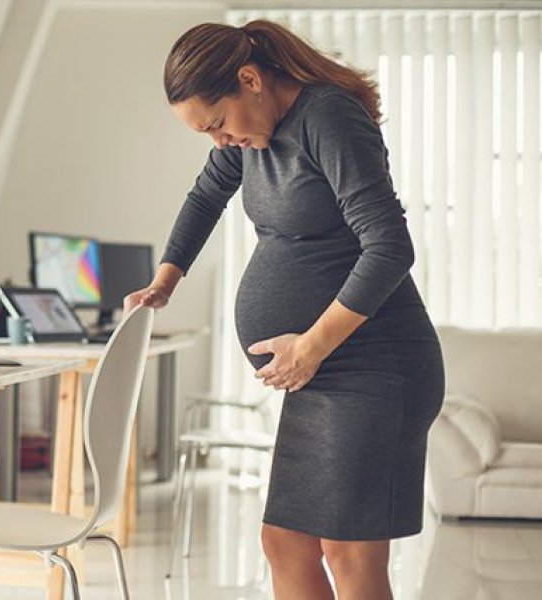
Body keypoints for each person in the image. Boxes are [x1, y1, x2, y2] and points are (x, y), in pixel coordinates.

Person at [124, 20, 444, 599]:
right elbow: (204, 197)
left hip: (374, 365)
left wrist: (311, 347)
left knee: (349, 553)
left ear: (250, 80)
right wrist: (165, 281)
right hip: (319, 372)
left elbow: (391, 246)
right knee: (285, 543)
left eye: (217, 124)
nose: (219, 141)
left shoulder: (328, 118)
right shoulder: (249, 138)